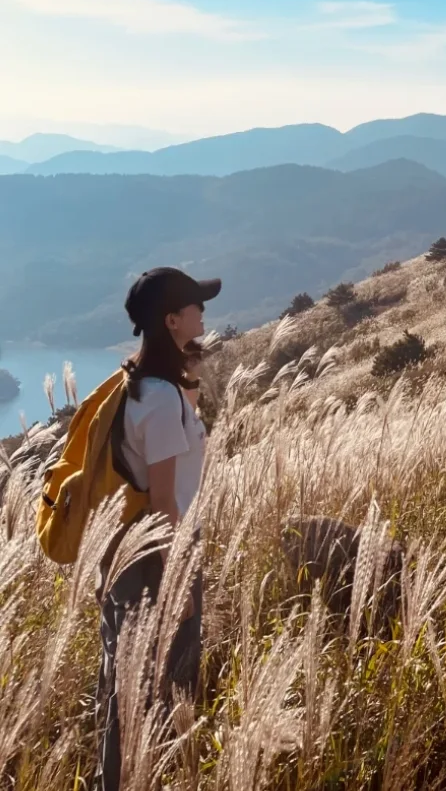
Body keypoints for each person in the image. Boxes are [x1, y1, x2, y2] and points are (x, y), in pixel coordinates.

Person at [96, 267, 219, 791]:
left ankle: (118, 778)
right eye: (196, 307)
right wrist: (175, 584)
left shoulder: (140, 384)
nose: (203, 314)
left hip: (127, 554)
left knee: (120, 688)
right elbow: (165, 499)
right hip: (157, 561)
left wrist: (186, 378)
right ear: (172, 320)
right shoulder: (161, 401)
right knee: (151, 691)